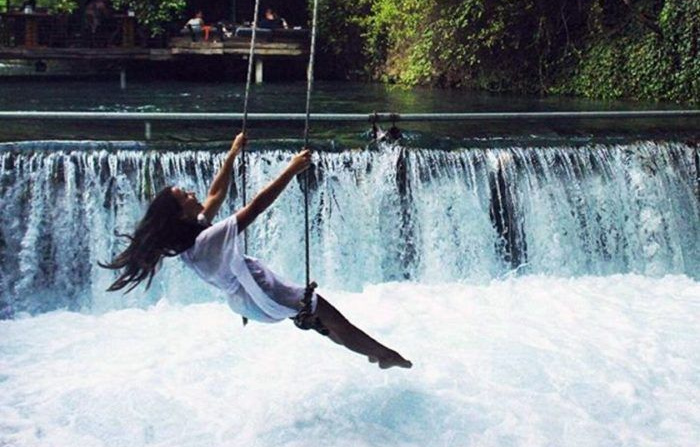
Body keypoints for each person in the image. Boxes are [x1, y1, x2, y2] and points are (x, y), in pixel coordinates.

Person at [100, 133, 412, 370]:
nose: (193, 194)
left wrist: (233, 153)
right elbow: (256, 207)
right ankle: (384, 354)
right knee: (330, 317)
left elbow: (215, 193)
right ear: (180, 214)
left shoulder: (189, 238)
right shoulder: (208, 240)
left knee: (320, 318)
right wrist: (292, 169)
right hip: (262, 294)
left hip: (246, 300)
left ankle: (367, 350)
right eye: (185, 196)